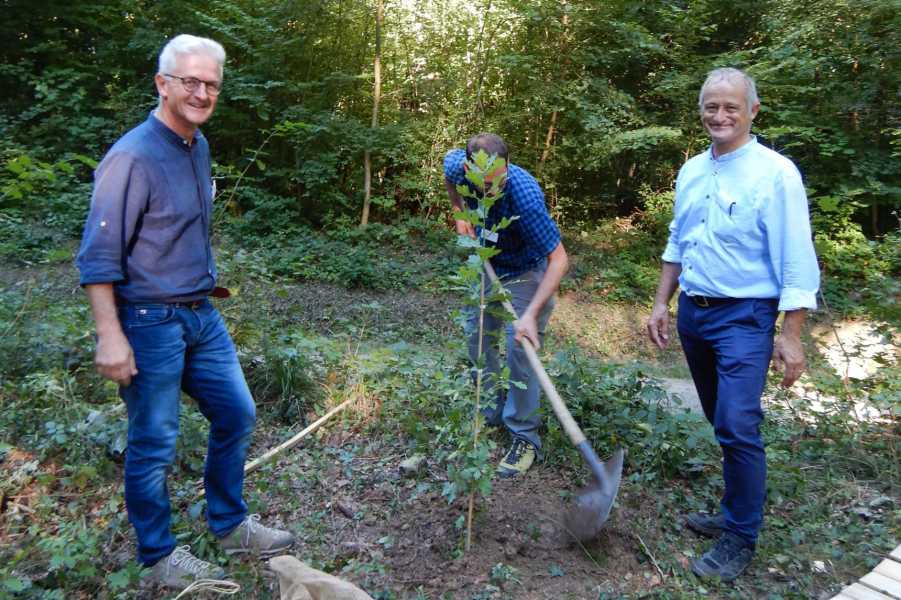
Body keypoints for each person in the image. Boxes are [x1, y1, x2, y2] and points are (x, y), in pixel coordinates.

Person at [76, 34, 295, 590]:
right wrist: (110, 336)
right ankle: (158, 558)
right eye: (189, 82)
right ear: (162, 84)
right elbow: (98, 257)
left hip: (200, 314)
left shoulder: (196, 145)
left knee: (237, 413)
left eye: (211, 84)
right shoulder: (131, 157)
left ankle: (229, 523)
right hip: (149, 322)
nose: (201, 92)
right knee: (154, 440)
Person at [646, 67, 820, 581]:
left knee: (738, 425)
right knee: (719, 419)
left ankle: (740, 535)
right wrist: (661, 303)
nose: (720, 116)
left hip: (745, 318)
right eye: (710, 107)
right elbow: (679, 241)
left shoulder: (776, 173)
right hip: (693, 315)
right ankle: (731, 511)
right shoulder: (692, 171)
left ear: (752, 111)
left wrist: (790, 334)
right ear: (700, 110)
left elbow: (796, 257)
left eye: (731, 107)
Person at [444, 133, 569, 478]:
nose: (491, 189)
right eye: (483, 184)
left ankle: (523, 434)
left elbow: (559, 261)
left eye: (496, 181)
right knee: (478, 337)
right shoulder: (458, 166)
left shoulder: (525, 197)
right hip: (487, 262)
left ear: (507, 167)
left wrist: (529, 315)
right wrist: (459, 213)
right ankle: (491, 410)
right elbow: (448, 175)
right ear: (468, 168)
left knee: (521, 346)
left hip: (528, 269)